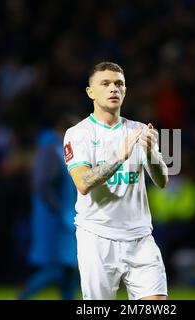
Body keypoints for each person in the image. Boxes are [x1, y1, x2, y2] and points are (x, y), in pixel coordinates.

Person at [63, 61, 169, 300]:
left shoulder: (140, 130)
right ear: (90, 92)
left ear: (125, 91)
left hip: (140, 237)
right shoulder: (78, 134)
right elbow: (83, 182)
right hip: (98, 237)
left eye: (119, 84)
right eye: (105, 83)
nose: (113, 89)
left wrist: (152, 153)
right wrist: (119, 156)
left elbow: (162, 181)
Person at [18, 115, 79, 300]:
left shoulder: (63, 151)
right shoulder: (52, 151)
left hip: (67, 218)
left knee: (70, 270)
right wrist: (59, 211)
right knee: (57, 269)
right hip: (56, 221)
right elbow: (42, 185)